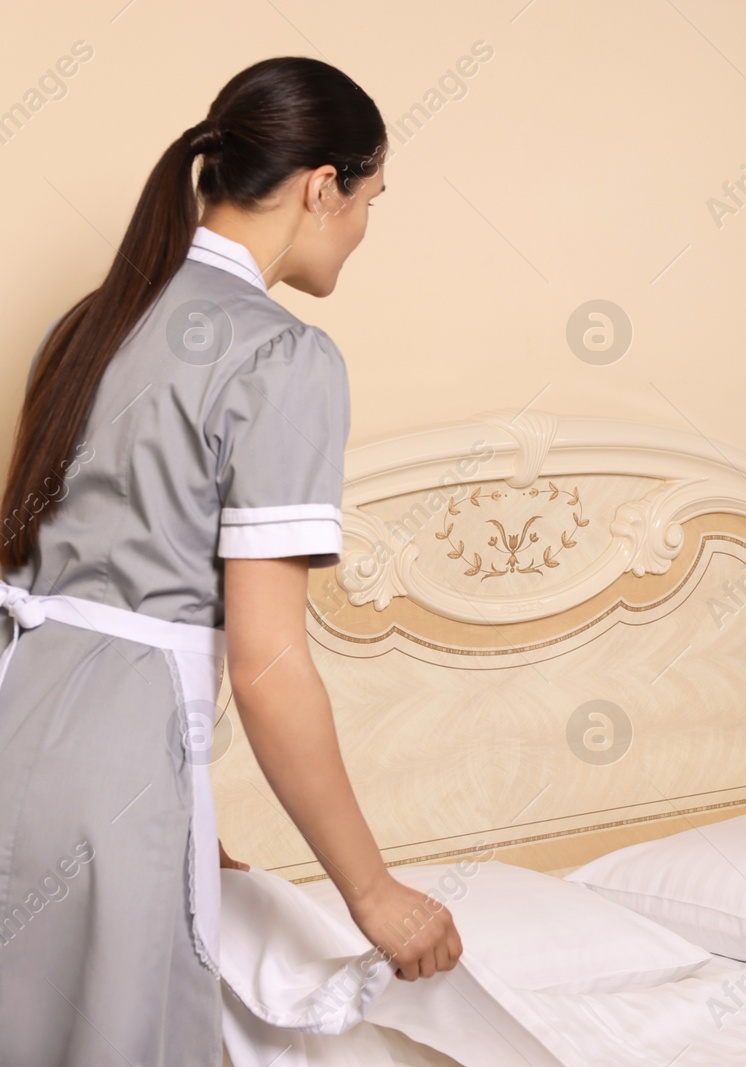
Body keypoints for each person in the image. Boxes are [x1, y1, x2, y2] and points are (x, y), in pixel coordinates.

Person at [0, 57, 461, 1063]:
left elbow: (69, 587)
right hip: (110, 782)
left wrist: (177, 804)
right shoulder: (283, 357)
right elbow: (266, 662)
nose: (366, 228)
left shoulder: (84, 327)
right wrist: (374, 893)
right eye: (371, 198)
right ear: (320, 186)